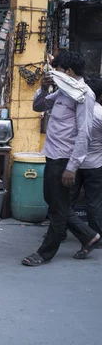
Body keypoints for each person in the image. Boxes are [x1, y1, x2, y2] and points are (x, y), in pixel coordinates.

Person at [22, 51, 100, 266]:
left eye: (58, 70)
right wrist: (45, 86)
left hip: (65, 159)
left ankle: (45, 253)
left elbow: (84, 133)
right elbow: (38, 106)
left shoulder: (84, 95)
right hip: (52, 155)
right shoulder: (64, 92)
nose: (54, 73)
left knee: (57, 209)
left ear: (69, 72)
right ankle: (88, 235)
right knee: (54, 201)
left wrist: (72, 167)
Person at [70, 78, 102, 236]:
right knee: (93, 203)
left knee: (67, 200)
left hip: (73, 164)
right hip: (94, 165)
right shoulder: (100, 113)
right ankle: (96, 235)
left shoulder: (75, 109)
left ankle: (59, 232)